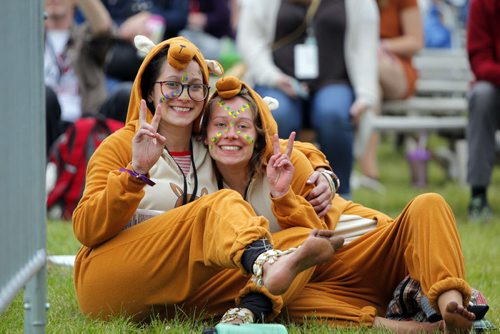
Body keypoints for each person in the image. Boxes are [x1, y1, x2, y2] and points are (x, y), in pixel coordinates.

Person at [72, 35, 341, 323]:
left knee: (298, 241)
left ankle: (247, 313)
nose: (184, 96)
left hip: (183, 292)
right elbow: (86, 228)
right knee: (220, 205)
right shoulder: (123, 145)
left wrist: (322, 170)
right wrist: (136, 171)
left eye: (195, 87)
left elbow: (271, 143)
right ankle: (265, 263)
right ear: (149, 91)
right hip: (112, 278)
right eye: (172, 85)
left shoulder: (210, 145)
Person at [198, 75, 476, 332]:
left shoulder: (286, 162)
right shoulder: (202, 184)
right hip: (324, 283)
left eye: (243, 126)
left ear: (260, 133)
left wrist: (285, 196)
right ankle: (425, 329)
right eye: (220, 125)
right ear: (204, 134)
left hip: (366, 249)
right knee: (277, 298)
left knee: (429, 203)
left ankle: (451, 308)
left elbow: (313, 232)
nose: (231, 134)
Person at [236, 0, 380, 198]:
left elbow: (365, 46)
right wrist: (274, 77)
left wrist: (365, 95)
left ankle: (339, 196)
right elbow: (250, 40)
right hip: (278, 80)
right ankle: (271, 195)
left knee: (334, 114)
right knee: (277, 115)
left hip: (334, 80)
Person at [357, 0, 424, 190]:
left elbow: (415, 41)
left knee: (370, 67)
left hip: (395, 69)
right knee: (371, 90)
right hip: (367, 78)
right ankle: (370, 174)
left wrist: (381, 46)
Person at [44, 0, 113, 154]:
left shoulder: (85, 36)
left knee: (124, 95)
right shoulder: (27, 40)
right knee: (46, 96)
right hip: (43, 123)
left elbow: (103, 28)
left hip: (85, 121)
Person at [465, 0, 499, 220]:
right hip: (496, 87)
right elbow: (480, 62)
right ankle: (478, 195)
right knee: (481, 96)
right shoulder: (483, 4)